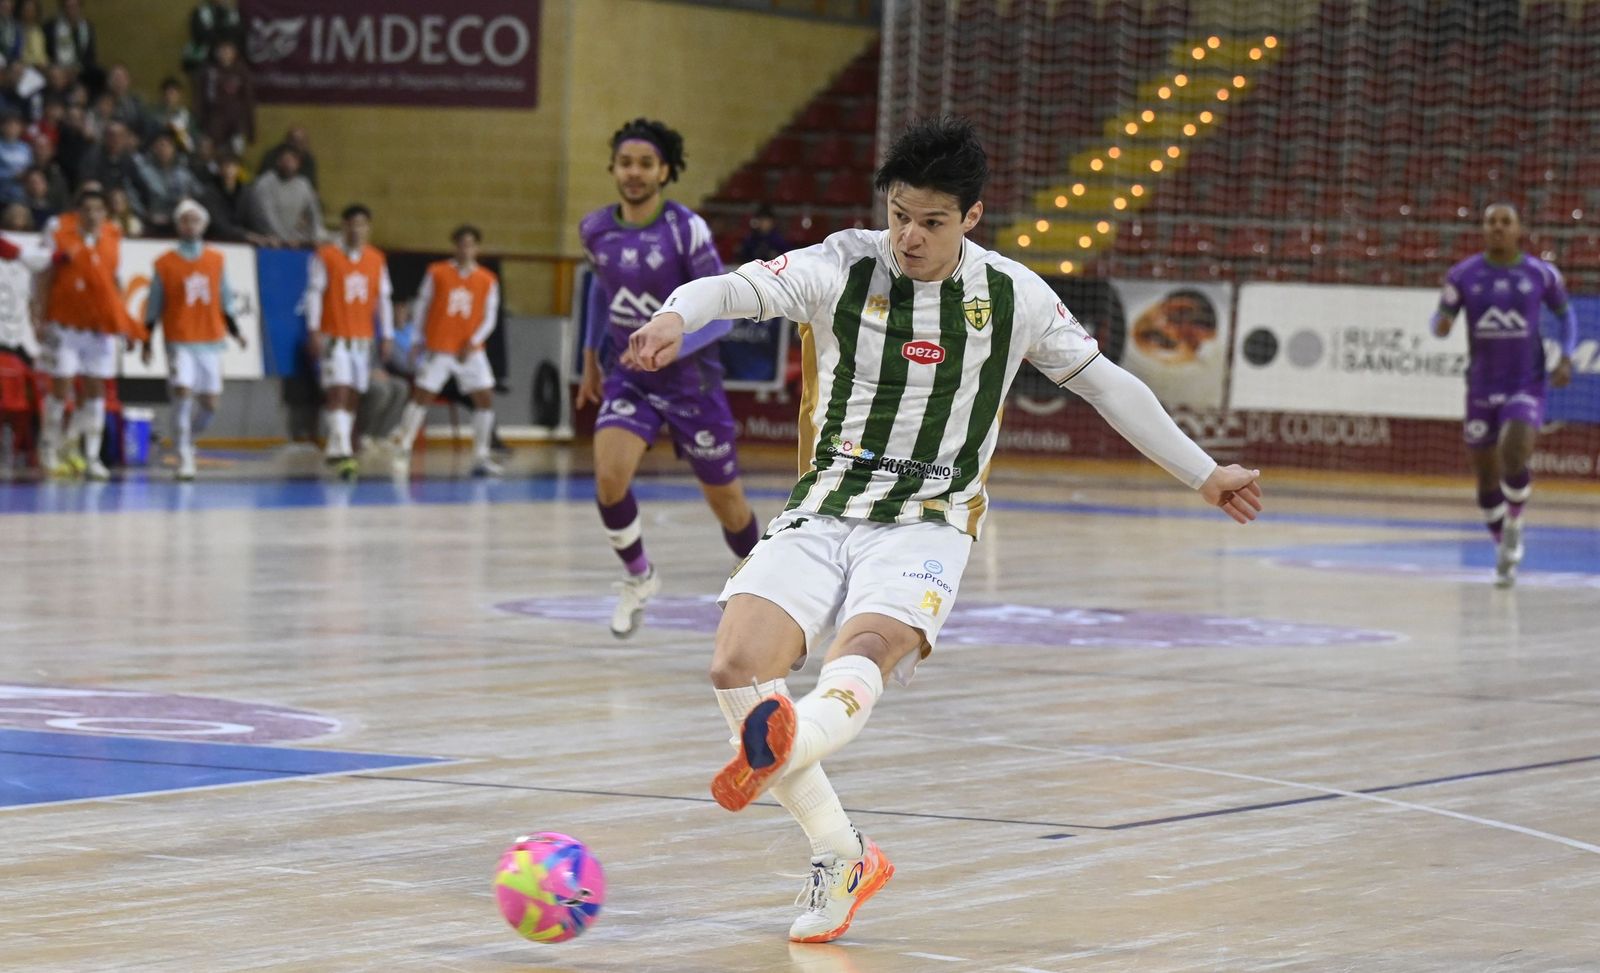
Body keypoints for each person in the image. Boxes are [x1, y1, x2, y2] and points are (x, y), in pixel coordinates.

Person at [625, 116, 1263, 943]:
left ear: (971, 217)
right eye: (899, 214)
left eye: (931, 221)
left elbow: (1108, 386)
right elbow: (731, 288)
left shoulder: (1014, 296)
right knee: (734, 664)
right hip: (823, 506)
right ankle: (841, 848)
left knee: (867, 648)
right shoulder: (842, 263)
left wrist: (1204, 473)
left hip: (930, 519)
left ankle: (795, 735)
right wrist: (678, 315)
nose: (909, 236)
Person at [577, 117, 761, 638]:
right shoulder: (595, 229)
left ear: (664, 171)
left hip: (691, 384)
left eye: (645, 164)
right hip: (629, 376)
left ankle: (767, 596)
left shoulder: (685, 229)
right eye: (625, 163)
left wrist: (679, 341)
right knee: (609, 479)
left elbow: (723, 311)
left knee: (728, 505)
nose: (633, 173)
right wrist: (591, 356)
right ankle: (640, 576)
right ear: (613, 167)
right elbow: (601, 288)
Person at [1432, 202, 1575, 587]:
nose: (1497, 228)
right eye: (1491, 222)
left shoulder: (1540, 273)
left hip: (1526, 382)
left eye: (1505, 222)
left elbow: (1565, 315)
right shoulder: (1463, 275)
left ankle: (1515, 515)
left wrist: (1566, 356)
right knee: (1484, 478)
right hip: (1480, 386)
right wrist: (1441, 324)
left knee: (1514, 451)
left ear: (1518, 229)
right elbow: (1439, 318)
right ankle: (1503, 548)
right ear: (1483, 229)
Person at [141, 199, 245, 480]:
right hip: (179, 338)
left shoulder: (216, 260)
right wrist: (147, 339)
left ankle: (186, 438)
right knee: (183, 391)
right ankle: (184, 454)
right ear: (178, 225)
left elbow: (225, 300)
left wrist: (236, 332)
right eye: (184, 220)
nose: (190, 225)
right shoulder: (165, 264)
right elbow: (154, 304)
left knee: (210, 403)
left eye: (194, 220)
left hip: (210, 339)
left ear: (204, 224)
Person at [388, 224, 502, 477]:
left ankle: (480, 456)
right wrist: (417, 339)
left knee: (484, 397)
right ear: (455, 246)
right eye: (461, 244)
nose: (466, 249)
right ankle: (403, 447)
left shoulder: (487, 279)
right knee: (422, 396)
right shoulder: (437, 272)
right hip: (439, 346)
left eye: (471, 244)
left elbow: (489, 316)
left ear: (477, 248)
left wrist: (474, 341)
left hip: (470, 350)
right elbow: (423, 307)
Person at [39, 186, 136, 478]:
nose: (93, 215)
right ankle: (49, 447)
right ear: (77, 214)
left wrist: (125, 325)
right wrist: (40, 316)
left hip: (100, 328)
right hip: (65, 325)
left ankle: (86, 452)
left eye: (98, 210)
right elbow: (45, 277)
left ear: (106, 214)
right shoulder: (61, 238)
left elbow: (116, 284)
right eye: (87, 210)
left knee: (96, 390)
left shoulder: (113, 237)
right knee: (62, 386)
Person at [304, 203, 392, 479]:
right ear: (343, 227)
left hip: (363, 337)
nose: (357, 230)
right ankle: (343, 450)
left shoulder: (377, 259)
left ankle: (335, 446)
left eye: (362, 224)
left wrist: (386, 333)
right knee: (338, 389)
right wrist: (314, 329)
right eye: (352, 224)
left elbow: (383, 299)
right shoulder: (326, 256)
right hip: (335, 335)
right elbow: (314, 293)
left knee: (354, 392)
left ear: (369, 228)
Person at [246, 145, 321, 245]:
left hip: (291, 240)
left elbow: (314, 214)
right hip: (267, 240)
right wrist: (285, 239)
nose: (289, 164)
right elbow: (268, 217)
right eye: (286, 160)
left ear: (298, 163)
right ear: (278, 162)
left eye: (292, 161)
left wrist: (313, 236)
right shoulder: (265, 183)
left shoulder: (303, 185)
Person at [134, 130, 202, 233]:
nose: (164, 150)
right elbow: (135, 196)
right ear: (154, 148)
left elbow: (199, 193)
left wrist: (188, 200)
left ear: (173, 149)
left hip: (179, 223)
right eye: (160, 145)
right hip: (151, 222)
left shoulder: (183, 174)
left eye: (167, 146)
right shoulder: (143, 173)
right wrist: (145, 215)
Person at [198, 39, 253, 156]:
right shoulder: (210, 71)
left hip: (236, 122)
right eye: (222, 50)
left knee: (236, 156)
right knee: (211, 154)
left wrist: (250, 129)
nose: (225, 53)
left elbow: (248, 100)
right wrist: (202, 124)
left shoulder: (241, 70)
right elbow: (202, 98)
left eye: (229, 50)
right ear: (217, 52)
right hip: (214, 121)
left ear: (235, 52)